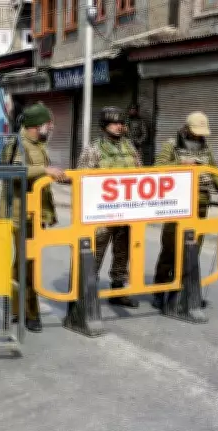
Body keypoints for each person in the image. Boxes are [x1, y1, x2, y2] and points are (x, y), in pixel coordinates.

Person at [0, 103, 68, 332]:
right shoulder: (19, 144)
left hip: (33, 213)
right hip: (21, 214)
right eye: (49, 123)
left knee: (21, 264)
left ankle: (18, 309)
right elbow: (13, 174)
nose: (52, 127)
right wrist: (44, 171)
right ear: (37, 125)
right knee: (28, 265)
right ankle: (30, 313)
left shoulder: (37, 144)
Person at [152, 112, 218, 310]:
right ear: (186, 128)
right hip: (176, 204)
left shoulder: (205, 148)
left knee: (192, 250)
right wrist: (181, 164)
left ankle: (184, 292)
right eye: (195, 132)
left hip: (200, 204)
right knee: (170, 249)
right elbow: (157, 167)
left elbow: (214, 172)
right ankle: (160, 291)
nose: (199, 136)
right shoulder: (172, 145)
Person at [76, 106, 143, 308]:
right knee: (95, 251)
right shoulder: (94, 149)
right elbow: (82, 178)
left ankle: (118, 290)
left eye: (121, 123)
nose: (118, 127)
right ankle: (87, 291)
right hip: (102, 212)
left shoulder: (130, 147)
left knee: (123, 252)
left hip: (126, 210)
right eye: (114, 123)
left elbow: (139, 173)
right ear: (105, 126)